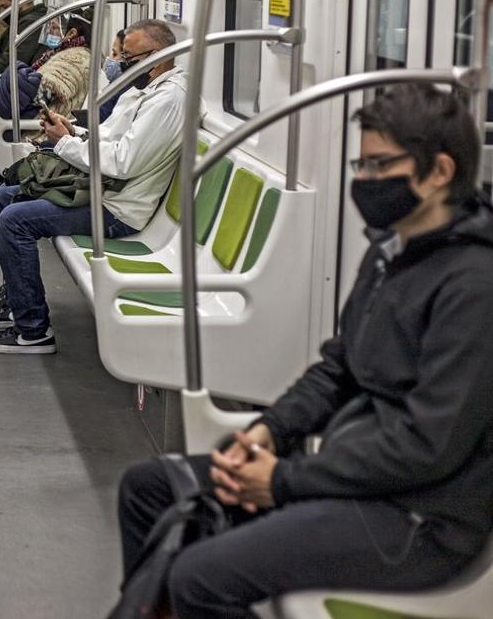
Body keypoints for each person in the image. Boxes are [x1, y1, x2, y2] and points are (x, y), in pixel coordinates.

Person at [116, 84, 493, 617]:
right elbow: (339, 367)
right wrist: (268, 431)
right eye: (360, 166)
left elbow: (426, 445)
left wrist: (283, 481)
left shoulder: (474, 285)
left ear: (440, 173)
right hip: (355, 475)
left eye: (380, 166)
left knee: (197, 579)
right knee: (149, 489)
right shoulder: (393, 251)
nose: (364, 182)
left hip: (417, 519)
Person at [0, 19, 197, 354]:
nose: (122, 65)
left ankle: (32, 330)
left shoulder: (168, 101)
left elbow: (123, 163)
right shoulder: (143, 91)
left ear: (160, 55)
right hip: (103, 189)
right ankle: (17, 297)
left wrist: (64, 145)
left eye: (130, 59)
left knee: (15, 220)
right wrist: (73, 132)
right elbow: (108, 138)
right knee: (0, 200)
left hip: (118, 208)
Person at [0, 12, 94, 223]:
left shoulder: (74, 58)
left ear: (71, 33)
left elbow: (44, 90)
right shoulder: (64, 53)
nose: (51, 34)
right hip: (37, 117)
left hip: (41, 126)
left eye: (55, 30)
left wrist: (5, 87)